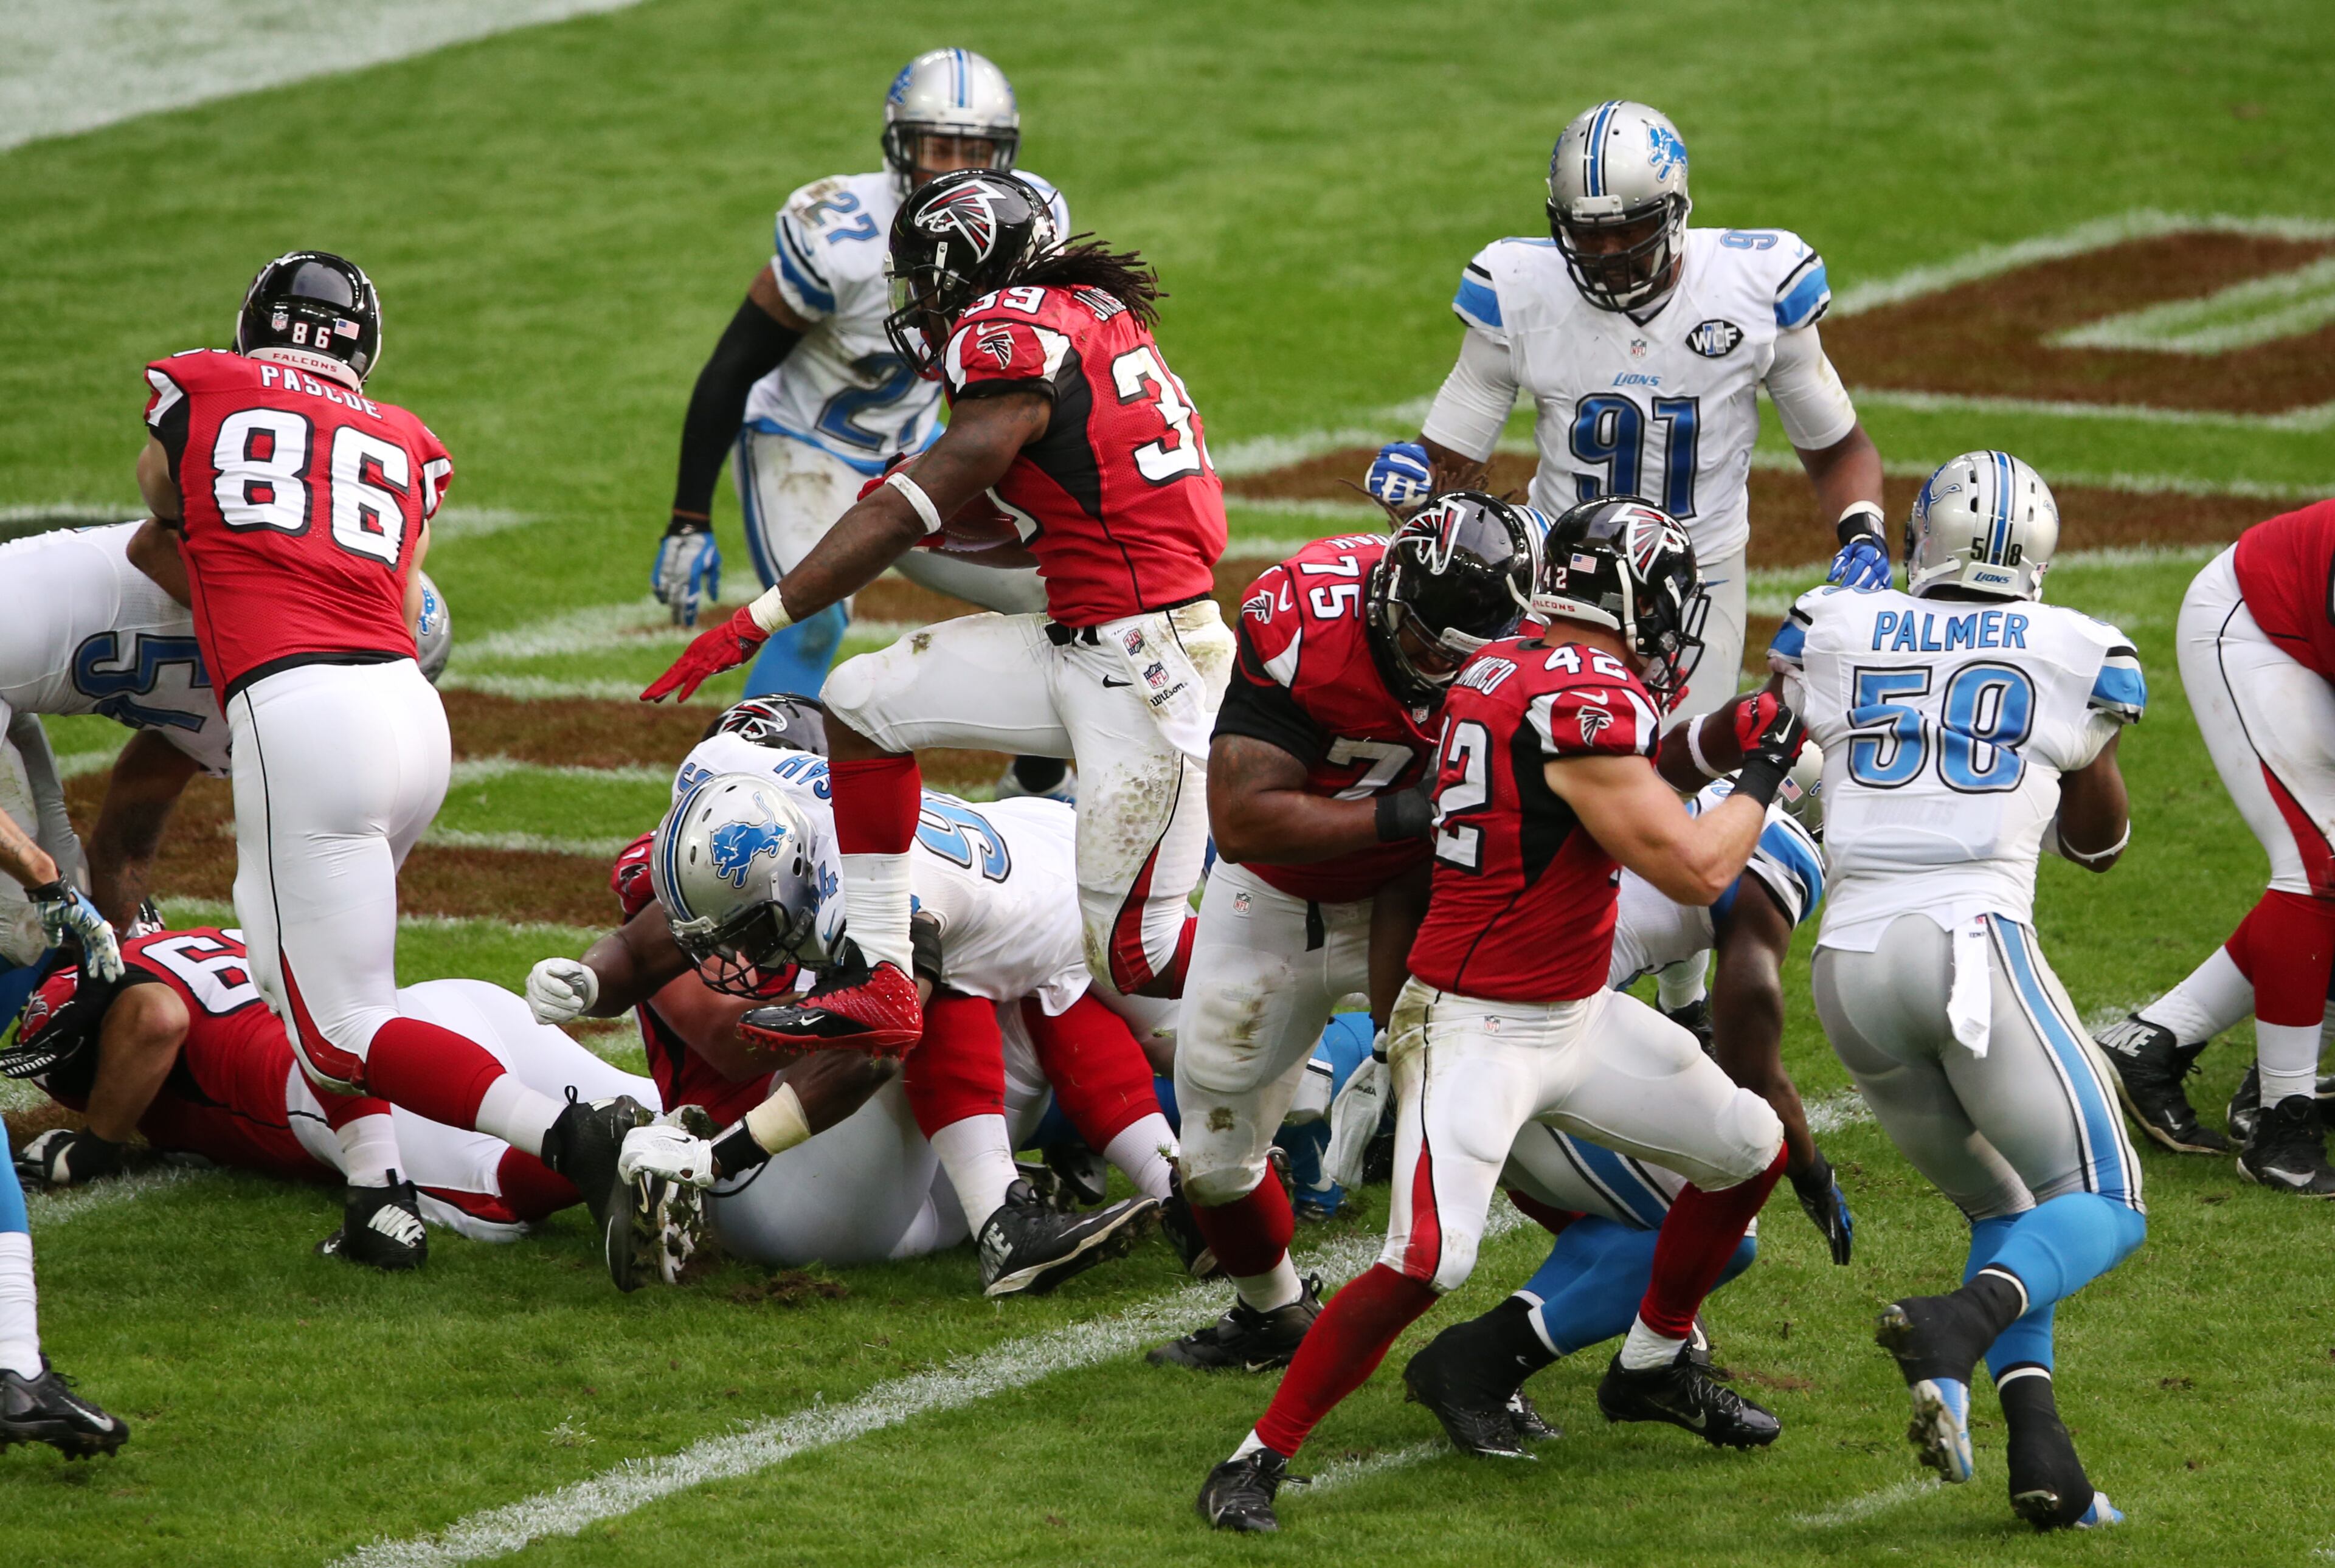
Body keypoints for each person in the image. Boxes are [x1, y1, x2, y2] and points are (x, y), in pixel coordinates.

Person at [1197, 497, 1803, 1532]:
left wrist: (1715, 738)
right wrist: (1768, 763)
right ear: (1624, 597)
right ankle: (1255, 1456)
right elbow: (1698, 859)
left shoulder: (1516, 660)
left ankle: (1653, 1361)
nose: (1672, 624)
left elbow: (1618, 787)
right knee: (1429, 1257)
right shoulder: (1581, 697)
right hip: (1476, 1022)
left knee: (1752, 1143)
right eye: (1662, 603)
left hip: (1572, 1008)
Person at [643, 170, 1230, 1059]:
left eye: (924, 276)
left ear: (968, 266)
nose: (916, 300)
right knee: (860, 700)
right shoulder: (1083, 316)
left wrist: (759, 617)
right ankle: (883, 974)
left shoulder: (1007, 335)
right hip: (1084, 633)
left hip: (1148, 662)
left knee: (1136, 960)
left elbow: (920, 503)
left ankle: (1331, 975)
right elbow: (1022, 500)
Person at [135, 250, 644, 1271]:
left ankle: (569, 1134)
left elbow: (162, 512)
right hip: (411, 712)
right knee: (304, 984)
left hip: (302, 709)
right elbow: (401, 585)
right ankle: (379, 1199)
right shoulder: (407, 440)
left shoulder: (202, 381)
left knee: (336, 1025)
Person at [1774, 451, 2142, 1530]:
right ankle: (1958, 1323)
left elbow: (1777, 735)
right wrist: (2077, 750)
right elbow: (2102, 843)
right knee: (2107, 1198)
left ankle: (2046, 1458)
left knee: (2005, 1202)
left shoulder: (1839, 622)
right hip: (1968, 940)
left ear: (1917, 537)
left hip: (1848, 962)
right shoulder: (2077, 647)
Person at [530, 702, 1175, 1292]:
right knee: (980, 975)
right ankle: (1087, 1192)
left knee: (971, 978)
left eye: (752, 924)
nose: (735, 951)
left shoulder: (870, 885)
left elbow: (878, 1044)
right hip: (793, 1177)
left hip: (835, 1144)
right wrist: (589, 978)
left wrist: (720, 1150)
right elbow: (667, 973)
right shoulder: (725, 827)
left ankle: (1148, 1185)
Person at [1152, 495, 1540, 1372]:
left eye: (1453, 653)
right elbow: (1244, 818)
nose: (1430, 661)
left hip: (1434, 889)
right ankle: (1272, 1308)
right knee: (1212, 1159)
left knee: (1520, 1108)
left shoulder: (1534, 652)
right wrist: (1410, 808)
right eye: (1420, 636)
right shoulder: (1307, 614)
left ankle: (1624, 1291)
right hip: (1276, 896)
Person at [648, 48, 1072, 804]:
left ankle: (1037, 785)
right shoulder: (837, 233)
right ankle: (719, 805)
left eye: (975, 153)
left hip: (916, 452)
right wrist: (687, 515)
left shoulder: (1023, 218)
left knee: (1056, 592)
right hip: (804, 445)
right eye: (939, 147)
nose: (954, 169)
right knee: (811, 623)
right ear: (898, 144)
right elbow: (734, 363)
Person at [1375, 98, 1886, 723]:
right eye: (1589, 234)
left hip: (1697, 578)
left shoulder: (1753, 287)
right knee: (1538, 765)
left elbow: (1839, 448)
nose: (1609, 252)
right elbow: (1445, 466)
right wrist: (1413, 486)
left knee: (1676, 775)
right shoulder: (1518, 287)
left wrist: (1862, 530)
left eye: (1628, 230)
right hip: (1558, 576)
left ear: (1675, 212)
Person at [1399, 752, 1848, 1456]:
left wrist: (1686, 1019)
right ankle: (1490, 1364)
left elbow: (1677, 960)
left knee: (1619, 1225)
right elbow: (1753, 1064)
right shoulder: (1777, 857)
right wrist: (1812, 1169)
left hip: (1457, 1016)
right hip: (1520, 1047)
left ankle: (1548, 1355)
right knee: (1719, 1222)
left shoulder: (1678, 803)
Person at [7, 930, 652, 1249]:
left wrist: (96, 1143)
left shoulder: (125, 1004)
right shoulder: (158, 942)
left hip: (357, 1080)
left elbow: (155, 1018)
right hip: (441, 1008)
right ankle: (719, 1130)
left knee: (500, 1196)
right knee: (646, 1093)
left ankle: (627, 1146)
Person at [2095, 497, 2335, 1188]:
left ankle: (2153, 1038)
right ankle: (2282, 1122)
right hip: (2254, 621)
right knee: (2318, 863)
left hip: (2309, 626)